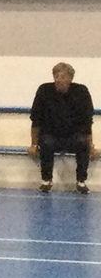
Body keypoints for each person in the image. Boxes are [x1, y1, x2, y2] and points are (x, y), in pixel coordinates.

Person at [30, 62, 95, 194]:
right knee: (46, 143)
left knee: (83, 142)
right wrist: (34, 144)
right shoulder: (44, 90)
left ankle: (81, 181)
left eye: (62, 77)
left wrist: (91, 145)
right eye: (56, 76)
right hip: (50, 135)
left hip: (73, 135)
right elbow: (36, 120)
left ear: (70, 79)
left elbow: (87, 122)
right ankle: (46, 180)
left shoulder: (81, 92)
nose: (58, 80)